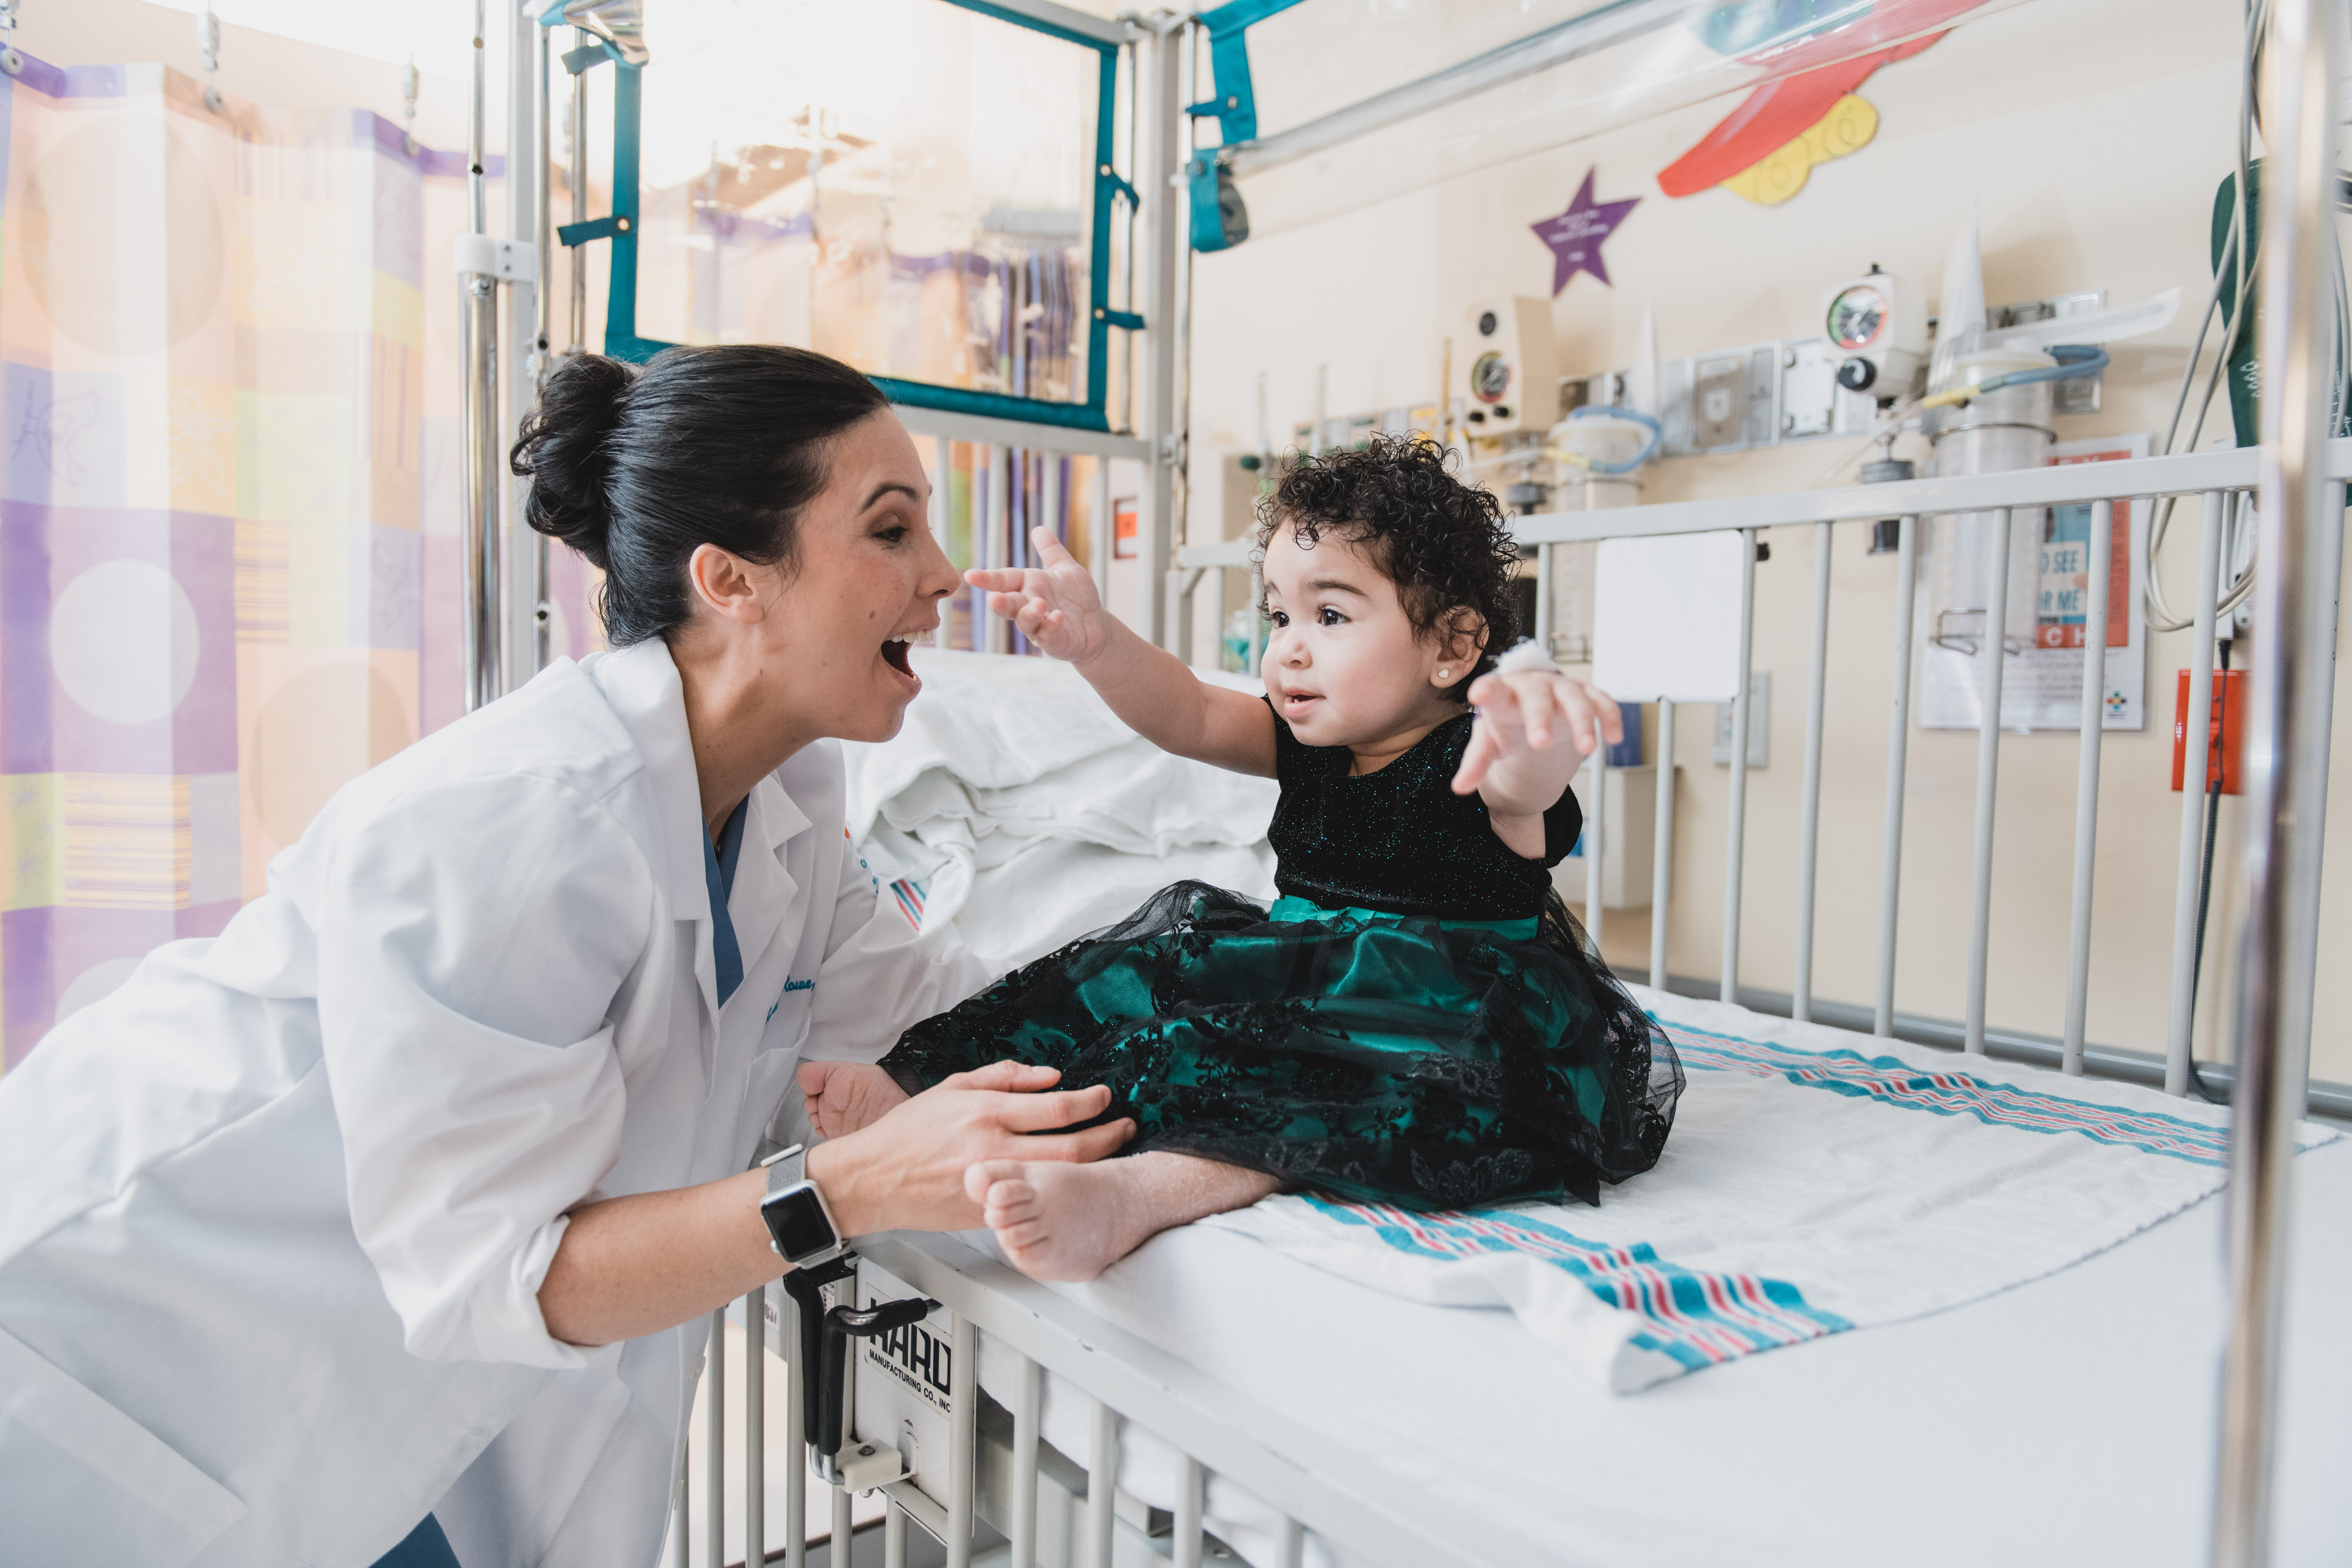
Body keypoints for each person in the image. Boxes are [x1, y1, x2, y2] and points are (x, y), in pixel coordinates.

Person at [0, 345, 1130, 1568]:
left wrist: (1218, 992)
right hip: (123, 1336)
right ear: (730, 579)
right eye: (891, 528)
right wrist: (850, 1184)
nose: (944, 577)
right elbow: (495, 1270)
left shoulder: (787, 794)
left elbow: (919, 1006)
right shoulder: (519, 816)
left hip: (368, 1384)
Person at [798, 434, 1682, 1283]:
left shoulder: (1479, 765)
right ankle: (917, 1085)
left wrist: (1531, 728)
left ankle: (1128, 1197)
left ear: (1452, 647)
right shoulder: (1304, 743)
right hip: (1301, 973)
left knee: (1282, 1082)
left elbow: (1527, 783)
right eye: (1280, 614)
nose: (1289, 646)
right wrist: (1096, 641)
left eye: (1330, 615)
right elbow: (1183, 710)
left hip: (1442, 1016)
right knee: (1129, 974)